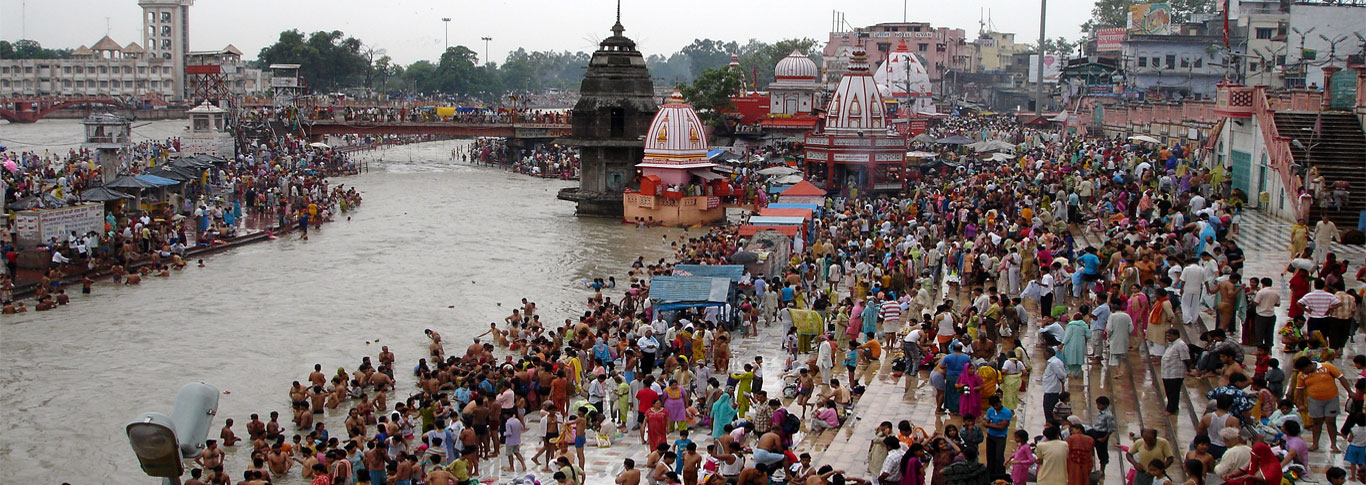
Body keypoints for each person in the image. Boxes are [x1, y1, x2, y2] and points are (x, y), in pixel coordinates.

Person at [1294, 356, 1353, 452]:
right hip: (1314, 401)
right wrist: (1300, 404)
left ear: (1309, 366)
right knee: (1316, 422)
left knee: (1331, 421)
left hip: (1331, 399)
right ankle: (1315, 444)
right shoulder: (1301, 375)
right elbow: (1299, 390)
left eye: (1303, 370)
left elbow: (1341, 378)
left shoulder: (1327, 367)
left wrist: (1349, 391)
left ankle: (1333, 445)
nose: (1303, 372)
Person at [1042, 347, 1067, 426]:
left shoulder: (1054, 363)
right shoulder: (1052, 362)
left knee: (1049, 407)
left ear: (1049, 354)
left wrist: (1062, 383)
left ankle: (1050, 422)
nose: (1043, 355)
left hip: (1052, 389)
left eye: (1045, 353)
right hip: (1050, 387)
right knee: (1048, 406)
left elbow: (1061, 374)